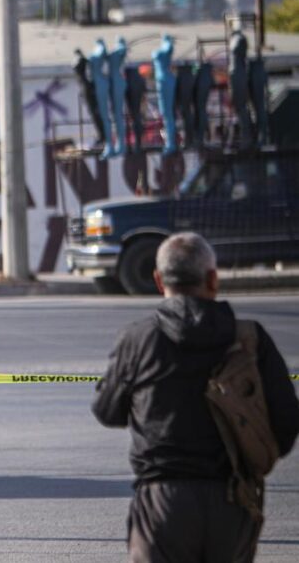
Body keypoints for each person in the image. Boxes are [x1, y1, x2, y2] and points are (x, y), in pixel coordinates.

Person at [93, 232, 298, 563]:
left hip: (162, 502)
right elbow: (286, 423)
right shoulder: (250, 338)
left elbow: (107, 411)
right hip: (234, 502)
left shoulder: (138, 338)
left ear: (159, 280)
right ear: (213, 279)